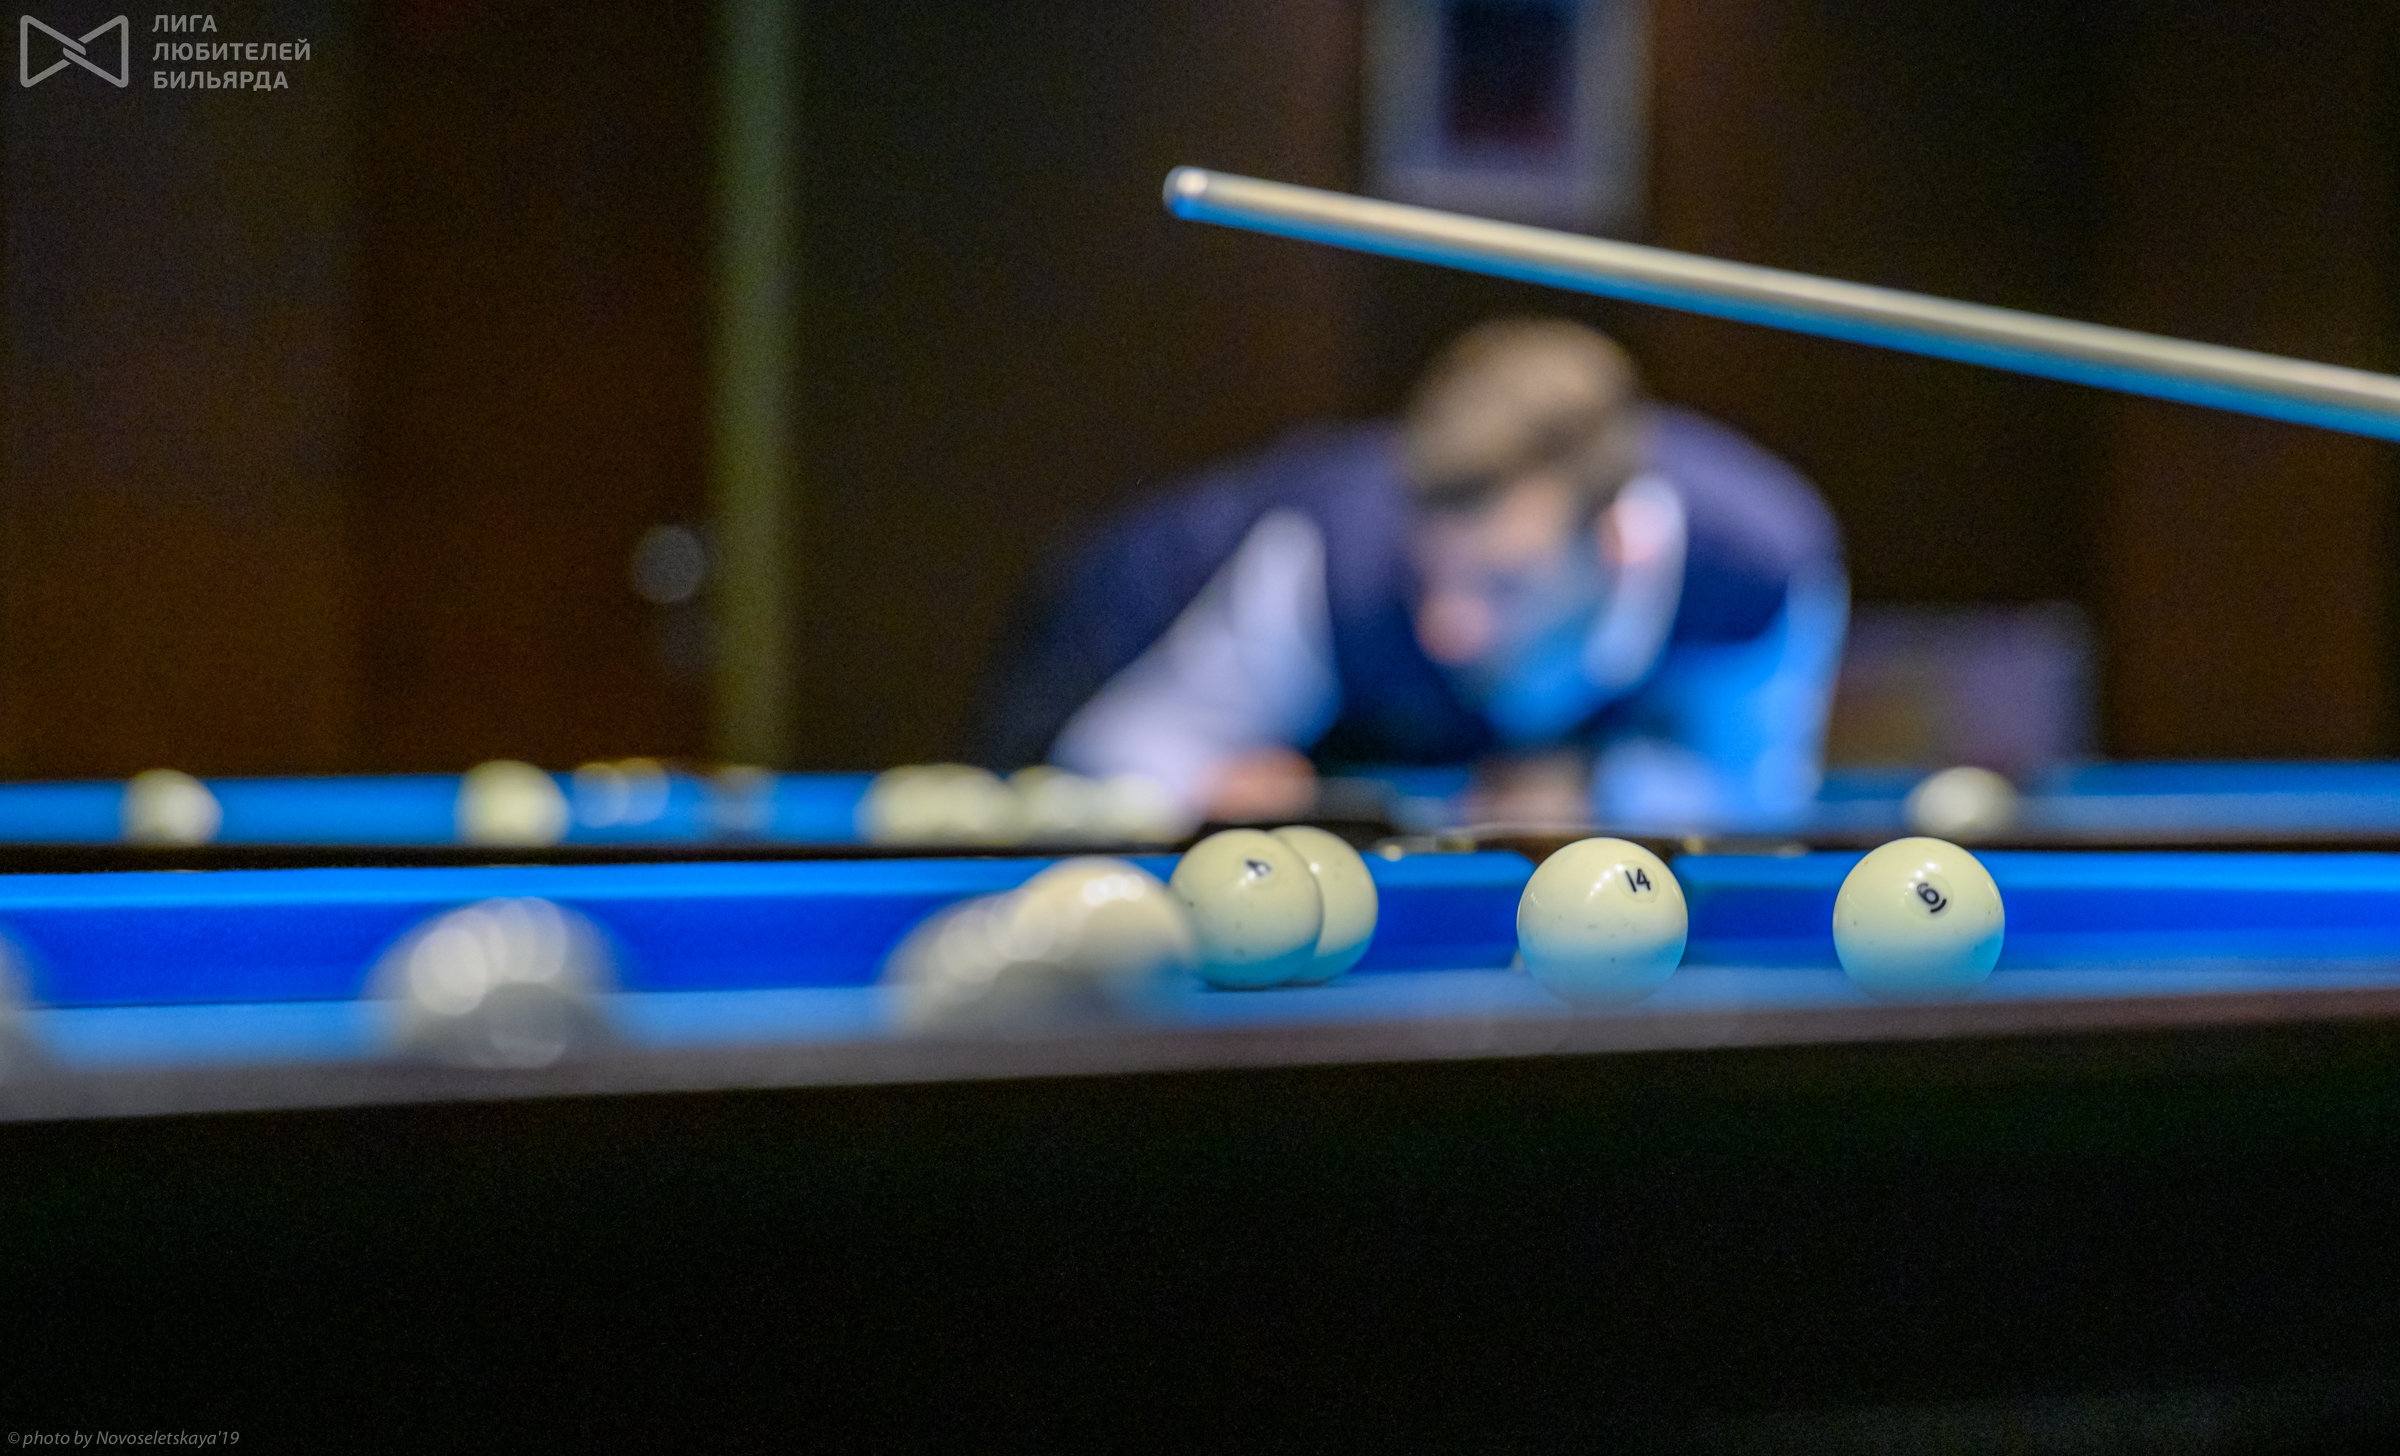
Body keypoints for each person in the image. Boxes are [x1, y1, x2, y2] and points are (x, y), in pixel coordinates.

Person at [975, 318, 1848, 831]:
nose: (1448, 627)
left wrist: (1599, 788)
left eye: (1502, 584)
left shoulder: (1763, 567)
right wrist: (1207, 786)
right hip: (1111, 623)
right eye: (1434, 575)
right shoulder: (1328, 559)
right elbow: (1116, 750)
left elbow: (1758, 792)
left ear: (1620, 545)